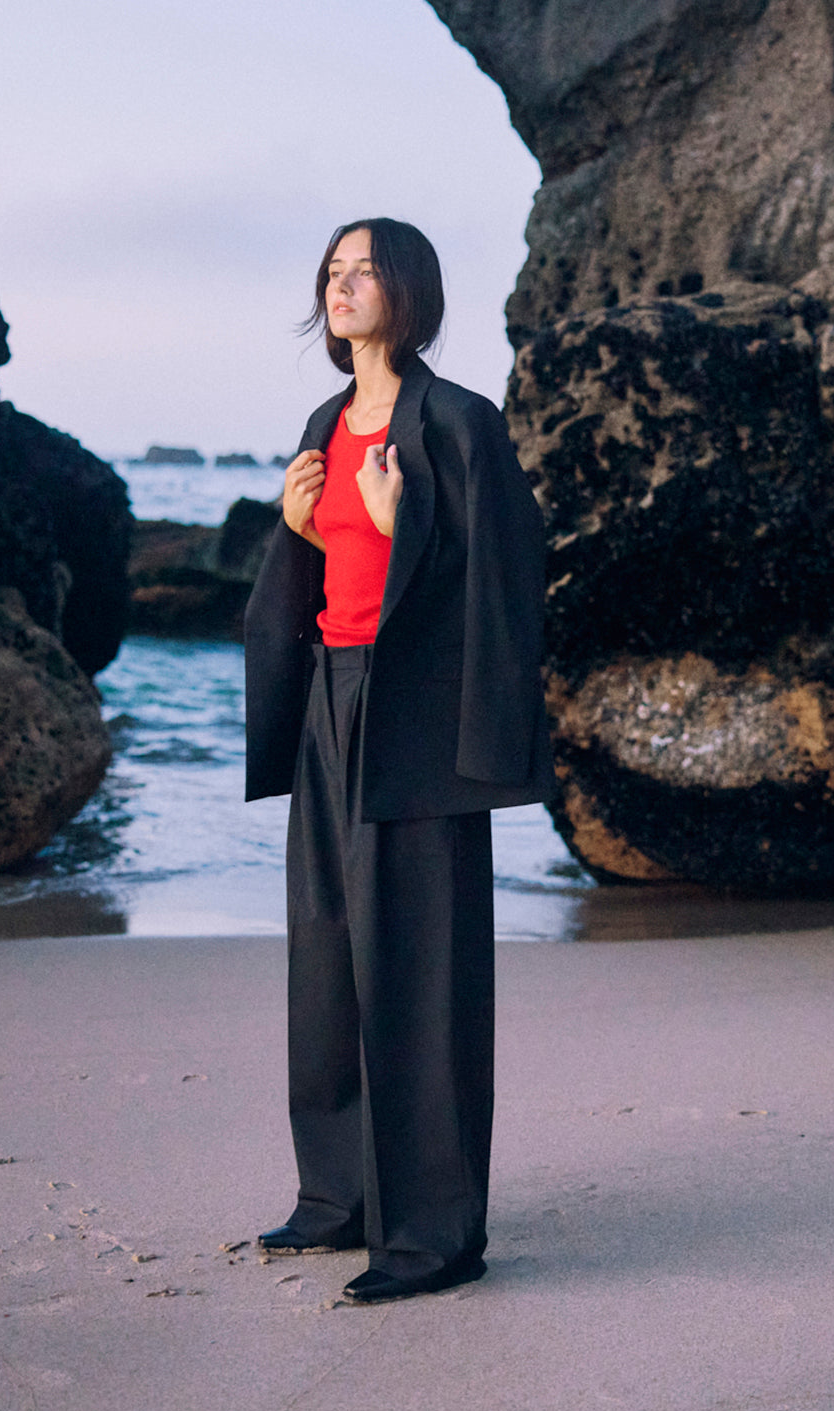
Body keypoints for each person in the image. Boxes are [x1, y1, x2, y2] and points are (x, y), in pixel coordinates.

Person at [243, 218, 555, 1304]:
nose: (341, 287)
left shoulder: (459, 421)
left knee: (421, 967)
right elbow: (334, 569)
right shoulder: (325, 422)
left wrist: (405, 511)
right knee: (326, 947)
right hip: (330, 697)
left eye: (362, 270)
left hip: (417, 709)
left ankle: (433, 1235)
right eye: (331, 271)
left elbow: (507, 574)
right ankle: (338, 1197)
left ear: (407, 290)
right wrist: (302, 530)